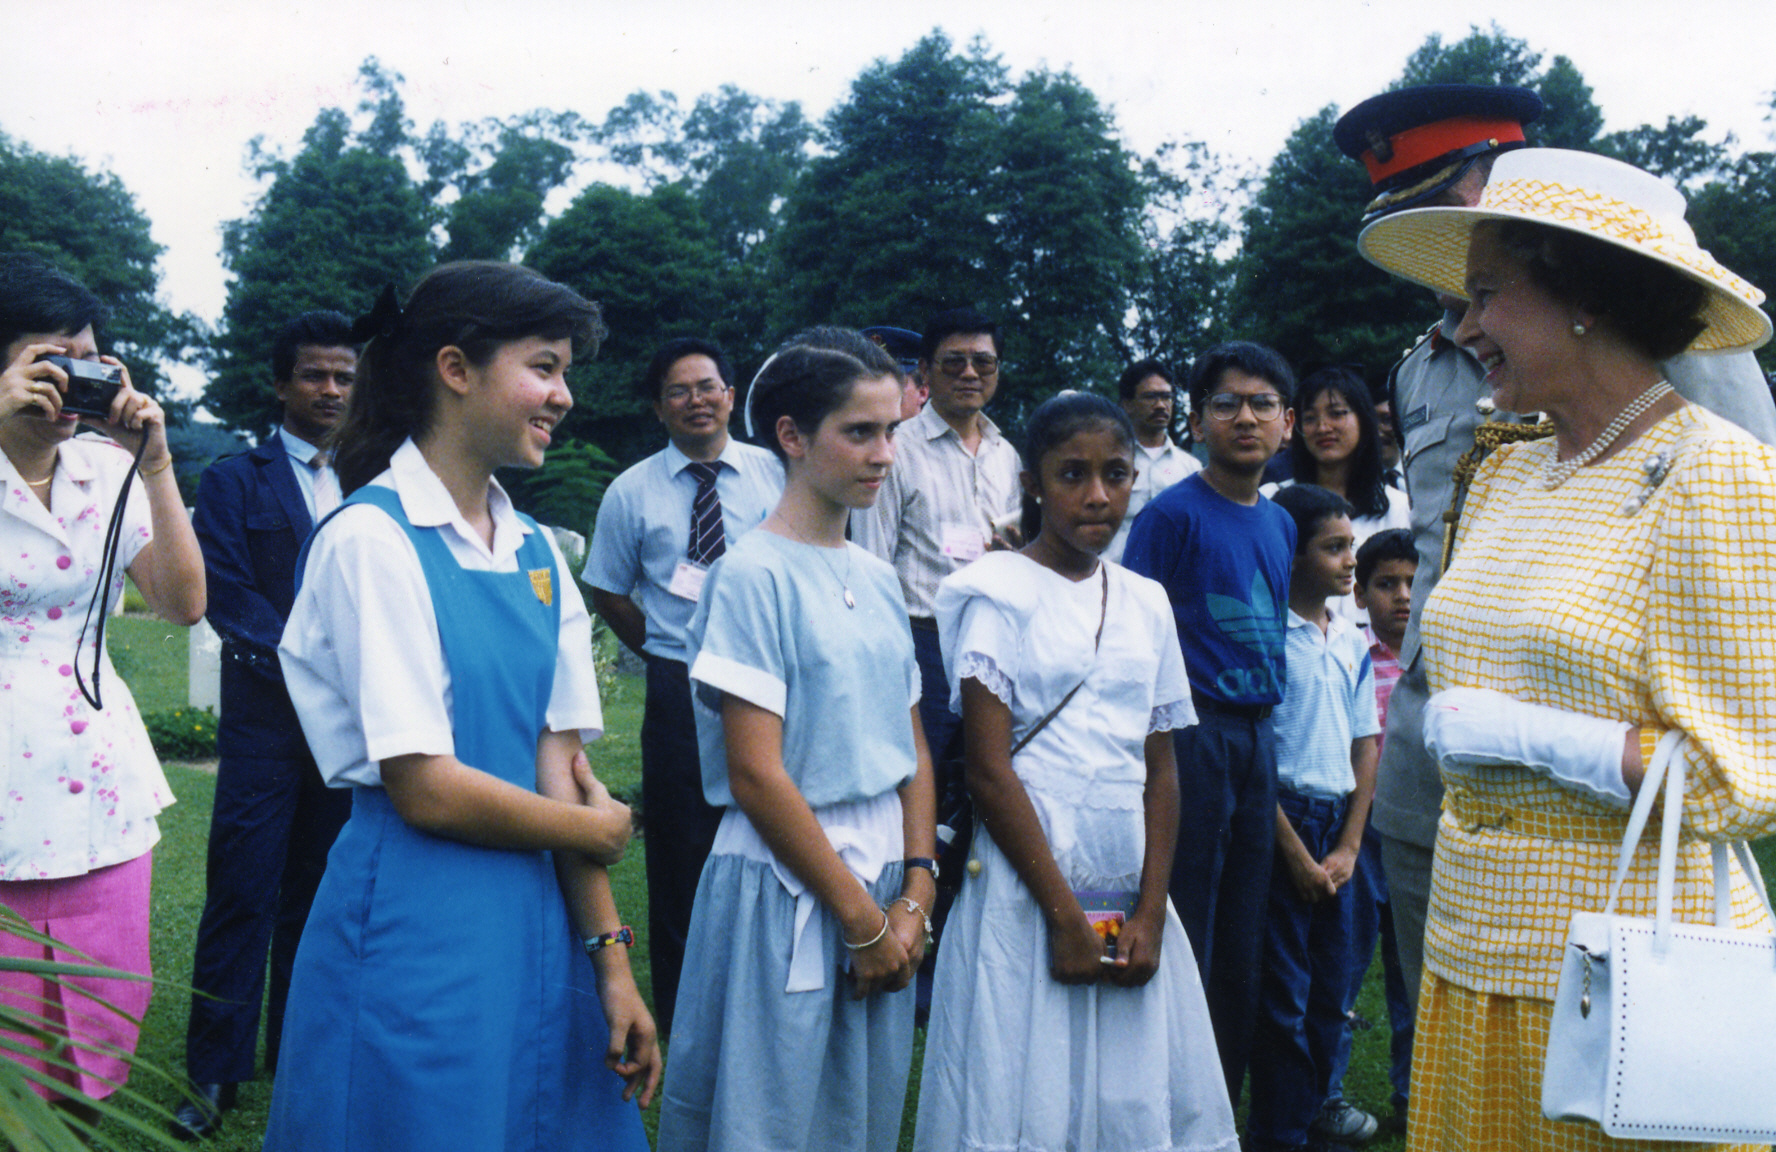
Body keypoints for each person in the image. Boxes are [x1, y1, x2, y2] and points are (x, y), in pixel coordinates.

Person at [1358, 146, 1776, 1149]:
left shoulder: (1713, 474)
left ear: (1581, 293)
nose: (1463, 329)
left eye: (1487, 296)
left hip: (1619, 977)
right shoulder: (1502, 468)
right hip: (1469, 953)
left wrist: (1526, 736)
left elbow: (1738, 781)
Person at [264, 262, 656, 1151]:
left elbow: (560, 769)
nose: (564, 396)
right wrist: (593, 832)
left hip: (538, 927)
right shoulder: (371, 540)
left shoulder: (535, 552)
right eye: (545, 367)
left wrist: (613, 965)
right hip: (414, 925)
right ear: (455, 368)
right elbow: (425, 787)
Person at [913, 391, 1237, 1152]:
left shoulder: (1146, 602)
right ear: (1032, 482)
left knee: (1126, 1082)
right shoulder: (999, 595)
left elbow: (1160, 765)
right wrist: (1064, 915)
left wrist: (1151, 910)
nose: (1097, 495)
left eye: (1116, 474)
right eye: (1072, 475)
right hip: (1032, 877)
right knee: (1028, 1077)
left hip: (1124, 867)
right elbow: (990, 771)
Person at [657, 333, 937, 1152]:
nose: (884, 453)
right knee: (766, 1114)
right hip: (788, 880)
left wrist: (914, 892)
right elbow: (754, 771)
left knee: (857, 1112)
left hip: (883, 875)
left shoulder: (880, 579)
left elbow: (912, 742)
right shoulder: (751, 574)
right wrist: (859, 918)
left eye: (891, 431)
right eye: (859, 432)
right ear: (791, 436)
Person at [0, 253, 205, 1120]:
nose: (76, 376)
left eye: (91, 356)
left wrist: (153, 464)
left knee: (102, 1009)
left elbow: (184, 601)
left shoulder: (102, 468)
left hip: (97, 780)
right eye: (53, 356)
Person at [173, 310, 358, 1140]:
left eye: (344, 377)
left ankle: (295, 1052)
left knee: (320, 892)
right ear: (282, 384)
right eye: (315, 375)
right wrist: (310, 657)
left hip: (351, 723)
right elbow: (224, 587)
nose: (330, 390)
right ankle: (213, 1073)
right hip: (268, 717)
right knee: (243, 887)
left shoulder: (376, 480)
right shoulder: (234, 480)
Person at [582, 335, 781, 1037]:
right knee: (680, 850)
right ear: (658, 406)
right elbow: (606, 588)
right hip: (679, 685)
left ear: (732, 394)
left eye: (709, 385)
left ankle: (767, 1001)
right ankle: (682, 1014)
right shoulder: (631, 491)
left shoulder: (775, 474)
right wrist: (665, 652)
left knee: (775, 830)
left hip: (767, 680)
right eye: (680, 390)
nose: (697, 400)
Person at [1123, 340, 1297, 1107]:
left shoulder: (1280, 523)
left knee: (1243, 930)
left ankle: (1216, 1102)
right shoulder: (1169, 518)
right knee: (1183, 914)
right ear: (1196, 420)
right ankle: (1154, 1094)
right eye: (1226, 403)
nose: (1245, 418)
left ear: (1287, 423)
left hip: (1258, 739)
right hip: (1189, 737)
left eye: (1262, 403)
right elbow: (1129, 641)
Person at [1247, 484, 1379, 1152]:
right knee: (1285, 997)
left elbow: (1366, 742)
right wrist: (1296, 855)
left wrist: (1352, 843)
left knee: (1332, 992)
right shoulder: (1268, 634)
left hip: (1337, 829)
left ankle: (1310, 1119)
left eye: (1351, 545)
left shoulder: (1350, 636)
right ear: (1292, 557)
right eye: (1334, 547)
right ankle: (1276, 1133)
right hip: (1285, 826)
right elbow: (1254, 757)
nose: (1349, 560)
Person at [1325, 528, 1418, 1137]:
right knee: (1343, 967)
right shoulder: (1354, 654)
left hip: (1416, 833)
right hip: (1362, 833)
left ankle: (1416, 1093)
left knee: (1414, 974)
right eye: (1386, 584)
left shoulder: (1440, 659)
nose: (1403, 597)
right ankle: (1325, 1094)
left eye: (1413, 583)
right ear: (1359, 595)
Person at [1263, 366, 1410, 622]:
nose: (1323, 427)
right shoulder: (1273, 500)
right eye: (1309, 418)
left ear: (1364, 420)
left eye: (1337, 414)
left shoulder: (1398, 507)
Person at [1107, 358, 1202, 562]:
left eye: (1166, 397)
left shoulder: (1191, 467)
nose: (1160, 405)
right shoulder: (1107, 462)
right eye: (1150, 397)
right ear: (1127, 405)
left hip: (1172, 585)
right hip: (1114, 578)